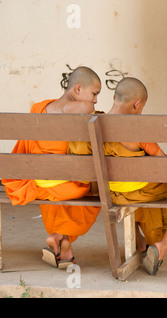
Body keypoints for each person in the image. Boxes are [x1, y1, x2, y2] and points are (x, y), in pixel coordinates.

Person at [67, 77, 167, 275]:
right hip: (139, 191)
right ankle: (161, 246)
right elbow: (165, 166)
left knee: (143, 188)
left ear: (114, 97)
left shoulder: (93, 122)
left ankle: (140, 243)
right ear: (137, 104)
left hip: (110, 193)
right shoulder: (138, 129)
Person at [2, 66, 102, 269]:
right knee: (92, 194)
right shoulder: (75, 109)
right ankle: (59, 236)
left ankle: (64, 247)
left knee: (59, 194)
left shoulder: (39, 107)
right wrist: (89, 108)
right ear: (77, 89)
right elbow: (87, 110)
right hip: (63, 184)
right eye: (94, 94)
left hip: (36, 181)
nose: (95, 100)